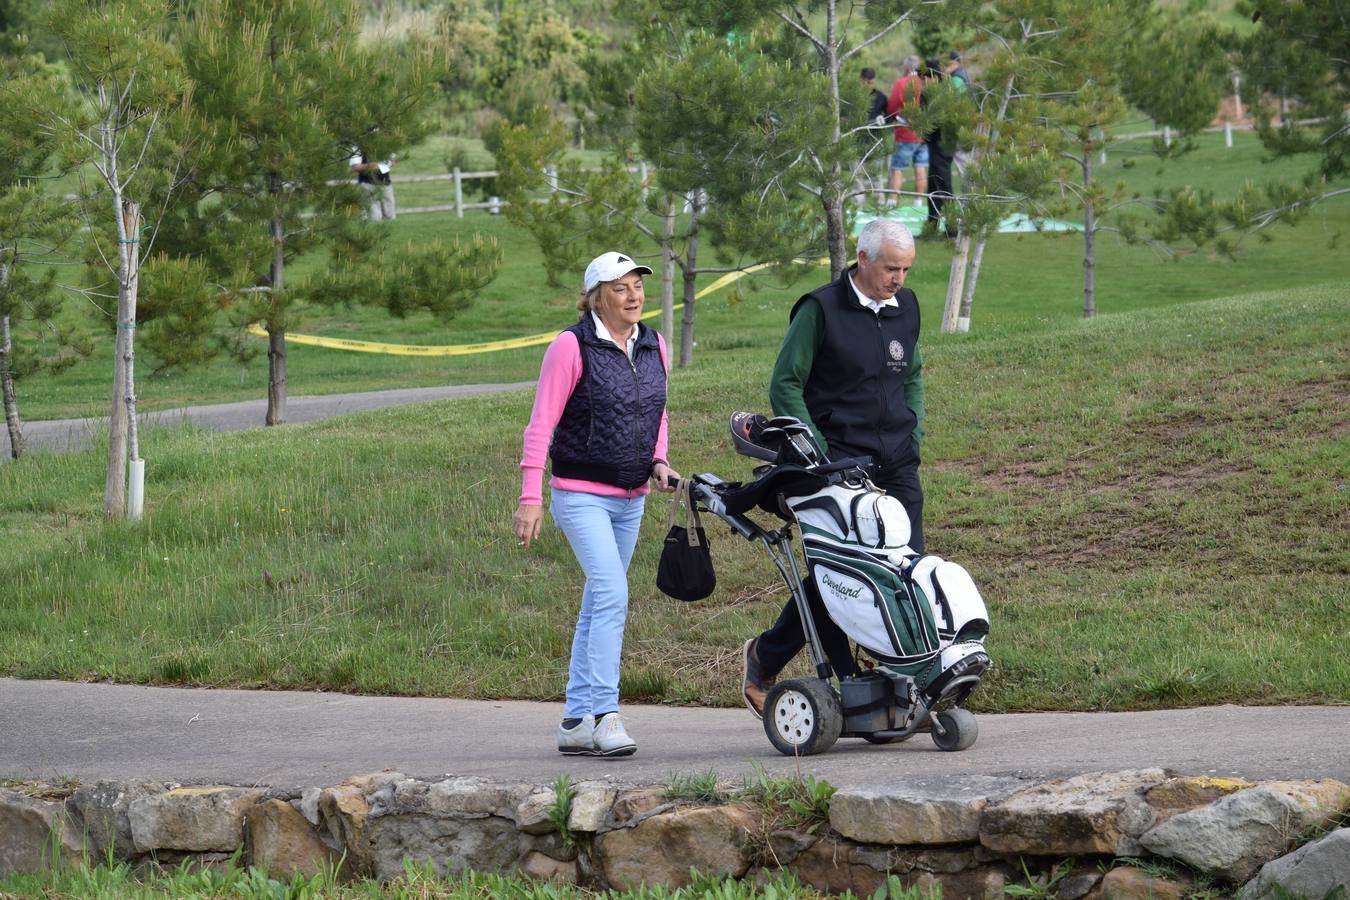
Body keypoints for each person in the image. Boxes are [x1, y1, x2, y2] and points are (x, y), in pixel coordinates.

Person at [741, 219, 926, 717]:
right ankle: (767, 656)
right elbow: (786, 385)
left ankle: (895, 674)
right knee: (842, 576)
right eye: (891, 268)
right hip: (837, 465)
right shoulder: (819, 309)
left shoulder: (906, 307)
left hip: (897, 461)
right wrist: (821, 457)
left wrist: (915, 430)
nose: (899, 280)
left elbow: (912, 374)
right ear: (863, 259)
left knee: (908, 570)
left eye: (906, 269)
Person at [513, 251, 680, 757]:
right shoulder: (570, 346)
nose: (633, 296)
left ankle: (573, 721)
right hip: (579, 493)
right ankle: (607, 715)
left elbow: (657, 410)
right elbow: (541, 423)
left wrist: (659, 460)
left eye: (637, 286)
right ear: (595, 298)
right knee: (611, 593)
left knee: (597, 602)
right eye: (620, 288)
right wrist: (530, 496)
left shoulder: (655, 344)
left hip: (633, 497)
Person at [885, 56, 927, 209]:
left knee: (897, 168)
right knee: (920, 167)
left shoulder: (902, 83)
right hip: (923, 132)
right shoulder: (924, 83)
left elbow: (892, 107)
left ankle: (892, 201)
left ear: (906, 67)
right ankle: (919, 201)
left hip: (905, 132)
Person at [921, 58, 957, 238]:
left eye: (927, 77)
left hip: (942, 144)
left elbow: (938, 120)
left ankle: (952, 228)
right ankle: (932, 225)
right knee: (933, 185)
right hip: (937, 144)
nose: (924, 81)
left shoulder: (940, 93)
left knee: (943, 185)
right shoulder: (935, 92)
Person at [858, 67, 891, 205]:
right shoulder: (854, 96)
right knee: (857, 174)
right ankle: (858, 203)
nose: (868, 85)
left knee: (876, 174)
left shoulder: (881, 97)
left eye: (871, 82)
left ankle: (879, 202)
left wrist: (884, 120)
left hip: (875, 140)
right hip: (856, 140)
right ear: (861, 80)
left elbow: (889, 116)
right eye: (866, 81)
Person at [943, 52, 976, 184]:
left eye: (947, 63)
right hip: (966, 123)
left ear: (955, 63)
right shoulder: (963, 76)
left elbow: (950, 102)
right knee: (965, 159)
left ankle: (972, 193)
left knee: (962, 159)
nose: (943, 66)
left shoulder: (956, 79)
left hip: (959, 125)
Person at [349, 149, 396, 220]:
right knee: (374, 217)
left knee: (390, 216)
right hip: (367, 185)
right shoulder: (358, 146)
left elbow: (391, 162)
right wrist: (374, 166)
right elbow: (355, 167)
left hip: (386, 184)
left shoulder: (386, 142)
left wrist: (378, 166)